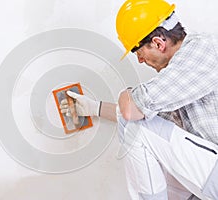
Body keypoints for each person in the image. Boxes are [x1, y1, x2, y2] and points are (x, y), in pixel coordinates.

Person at [60, 0, 218, 199]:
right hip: (210, 178)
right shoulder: (178, 77)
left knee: (134, 127)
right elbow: (142, 116)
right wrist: (93, 108)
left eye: (139, 53)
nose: (140, 60)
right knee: (140, 124)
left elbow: (131, 112)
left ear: (158, 43)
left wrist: (127, 96)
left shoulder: (201, 50)